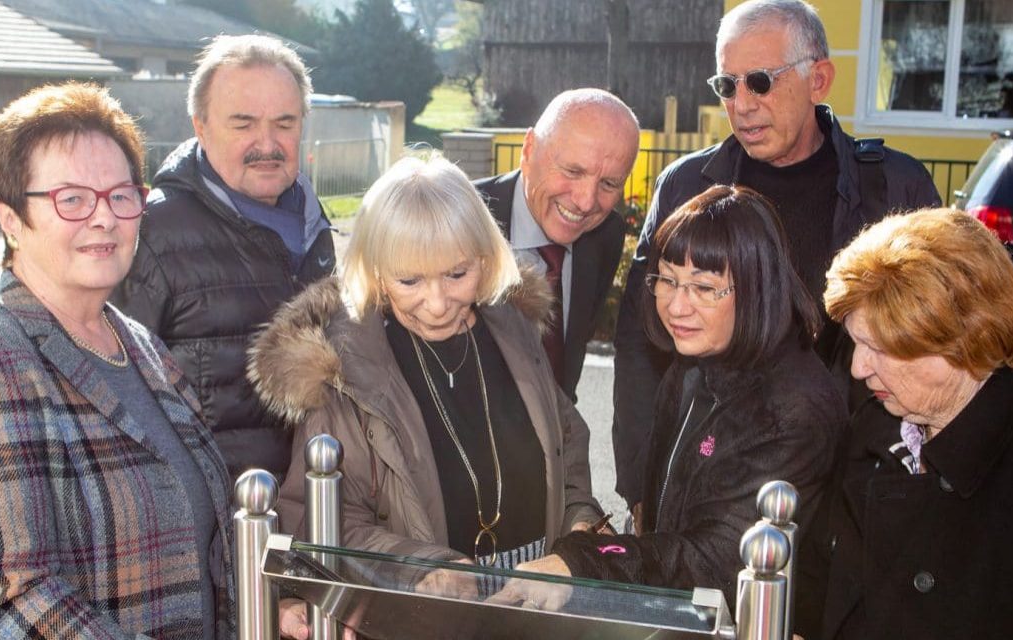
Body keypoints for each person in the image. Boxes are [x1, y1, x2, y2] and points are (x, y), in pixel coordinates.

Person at [0, 83, 235, 638]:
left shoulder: (144, 347)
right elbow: (15, 594)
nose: (104, 217)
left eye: (121, 194)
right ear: (10, 218)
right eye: (72, 198)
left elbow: (207, 545)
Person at [611, 0, 941, 518]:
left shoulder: (894, 188)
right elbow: (638, 338)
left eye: (760, 81)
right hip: (712, 487)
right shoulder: (686, 186)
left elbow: (935, 340)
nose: (741, 104)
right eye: (727, 85)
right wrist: (640, 483)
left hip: (856, 492)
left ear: (819, 79)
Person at [248, 153, 603, 616]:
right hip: (420, 620)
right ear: (376, 270)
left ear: (484, 256)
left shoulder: (514, 328)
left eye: (457, 274)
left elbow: (568, 451)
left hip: (538, 613)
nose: (436, 303)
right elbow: (321, 521)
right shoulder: (343, 369)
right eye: (409, 279)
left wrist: (580, 531)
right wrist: (425, 569)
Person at [794, 208, 1013, 639]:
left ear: (963, 338)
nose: (858, 368)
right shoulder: (878, 427)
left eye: (880, 347)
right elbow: (821, 581)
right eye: (856, 342)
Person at [494, 185, 846, 605]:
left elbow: (721, 558)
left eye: (703, 287)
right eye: (667, 280)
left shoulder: (792, 407)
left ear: (756, 287)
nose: (677, 307)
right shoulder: (695, 363)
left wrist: (586, 562)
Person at [112, 34, 334, 481]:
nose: (267, 143)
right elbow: (118, 404)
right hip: (218, 528)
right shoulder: (153, 234)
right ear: (200, 127)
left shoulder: (313, 222)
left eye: (285, 123)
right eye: (244, 123)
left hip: (310, 513)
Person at [475, 88, 639, 400]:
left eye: (608, 184)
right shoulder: (461, 220)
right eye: (573, 171)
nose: (585, 202)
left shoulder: (606, 234)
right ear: (528, 150)